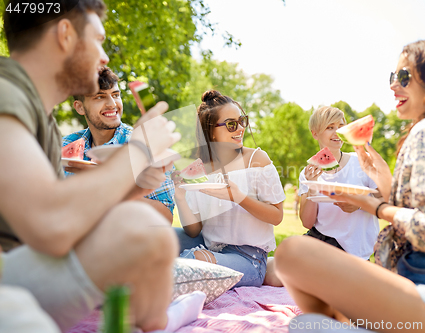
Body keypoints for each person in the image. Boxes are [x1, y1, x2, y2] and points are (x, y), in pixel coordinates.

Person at [0, 1, 205, 332]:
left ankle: (155, 322)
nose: (105, 56)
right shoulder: (5, 93)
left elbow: (56, 217)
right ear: (65, 35)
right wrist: (137, 150)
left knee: (143, 230)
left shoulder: (39, 114)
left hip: (18, 265)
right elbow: (49, 224)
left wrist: (135, 185)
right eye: (97, 39)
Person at [274, 37, 425, 332]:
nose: (394, 85)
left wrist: (376, 207)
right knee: (309, 324)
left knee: (292, 254)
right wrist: (380, 175)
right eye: (392, 77)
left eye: (404, 77)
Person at [173, 90, 286, 288]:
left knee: (192, 259)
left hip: (249, 260)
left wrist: (238, 197)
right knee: (161, 238)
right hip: (210, 247)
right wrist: (180, 198)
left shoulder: (257, 160)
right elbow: (193, 231)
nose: (240, 128)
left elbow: (277, 216)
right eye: (231, 124)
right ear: (212, 131)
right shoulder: (202, 169)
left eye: (242, 121)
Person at [63, 66, 175, 222]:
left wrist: (108, 184)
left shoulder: (144, 144)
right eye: (99, 97)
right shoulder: (66, 145)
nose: (112, 104)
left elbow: (165, 218)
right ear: (80, 107)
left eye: (115, 95)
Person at [299, 106, 380, 258]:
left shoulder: (363, 161)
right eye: (330, 127)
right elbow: (307, 223)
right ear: (315, 133)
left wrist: (360, 204)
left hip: (356, 254)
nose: (337, 132)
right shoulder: (308, 173)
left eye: (341, 127)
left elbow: (386, 201)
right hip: (321, 245)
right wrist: (312, 186)